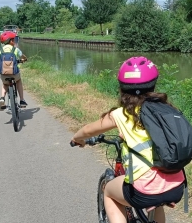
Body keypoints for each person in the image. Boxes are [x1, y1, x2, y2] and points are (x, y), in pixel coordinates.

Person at [70, 56, 185, 223]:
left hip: (144, 190)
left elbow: (88, 130)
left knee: (109, 192)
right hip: (176, 185)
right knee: (157, 200)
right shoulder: (164, 109)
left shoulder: (122, 114)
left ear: (122, 87)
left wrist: (77, 138)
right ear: (153, 84)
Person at [0, 31, 28, 110]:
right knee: (18, 81)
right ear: (11, 41)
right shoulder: (15, 50)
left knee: (5, 84)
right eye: (14, 40)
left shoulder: (0, 50)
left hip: (4, 74)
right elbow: (23, 57)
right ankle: (22, 100)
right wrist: (24, 59)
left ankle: (2, 98)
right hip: (14, 73)